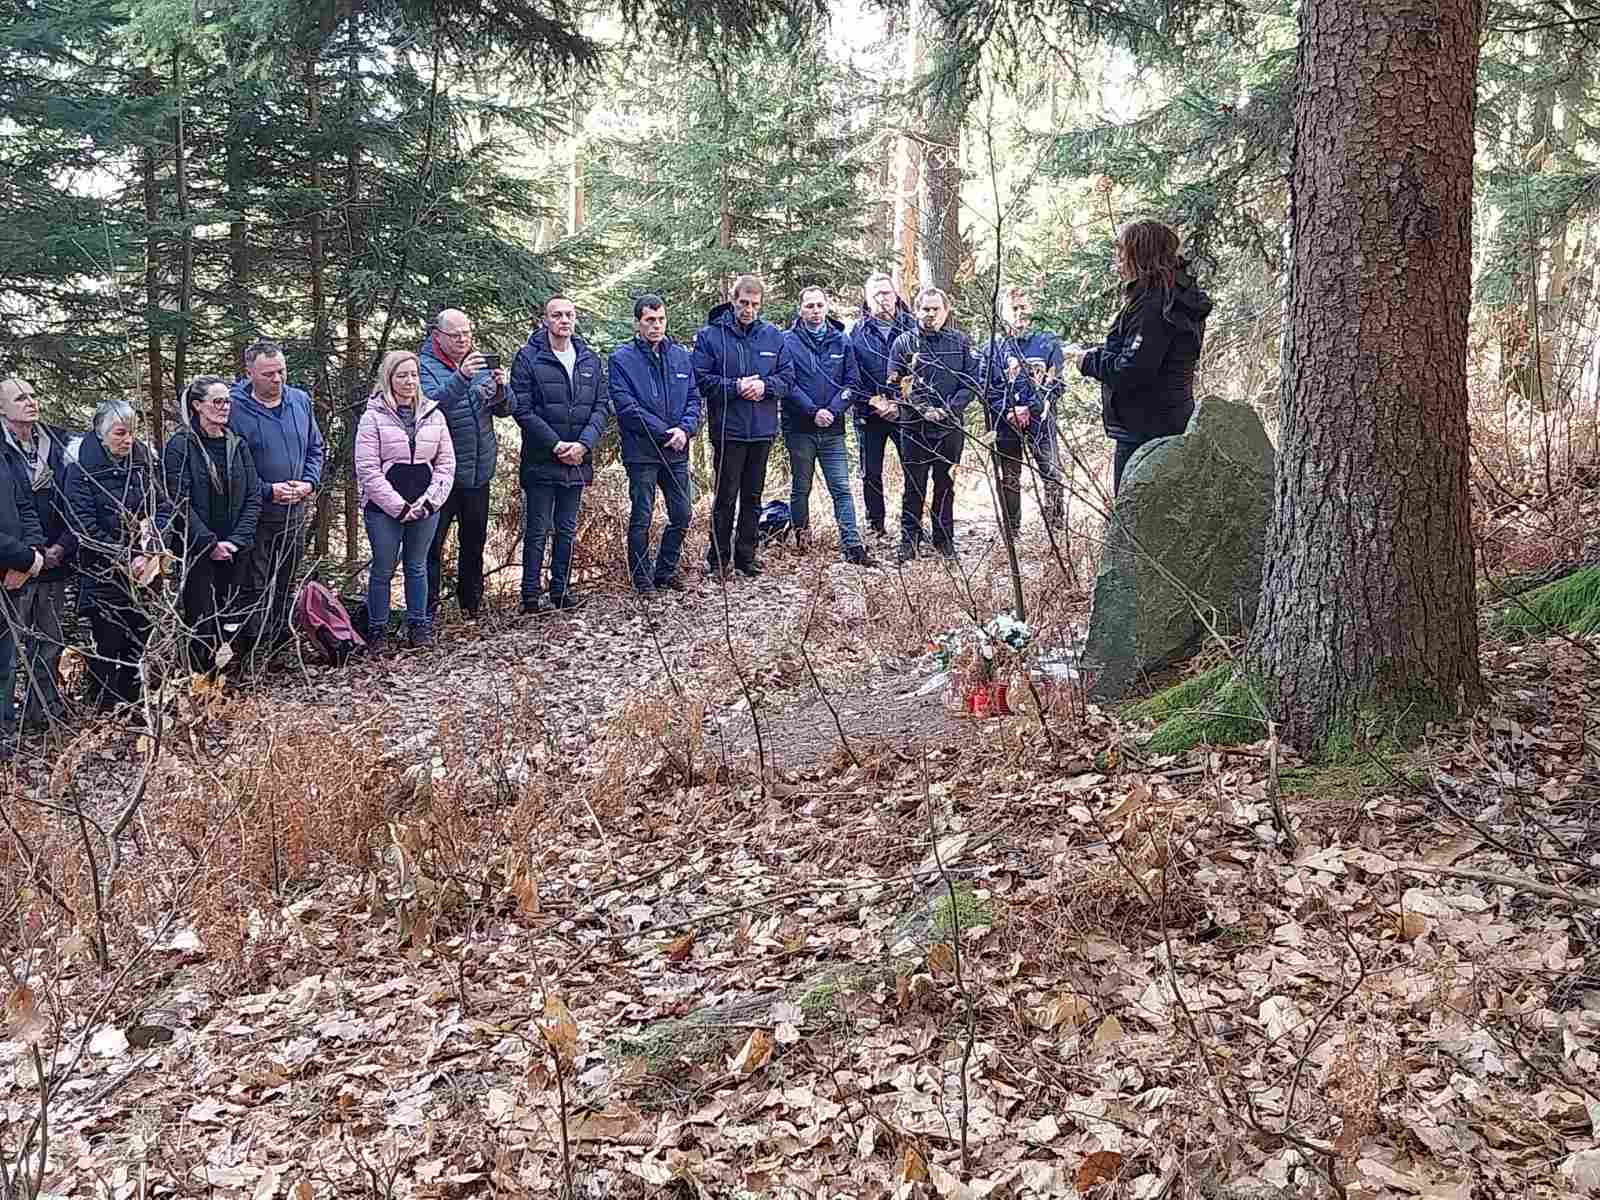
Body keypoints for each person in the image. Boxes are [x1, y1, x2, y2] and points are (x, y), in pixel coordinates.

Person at [1075, 220, 1214, 493]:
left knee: (1134, 521)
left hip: (1145, 431)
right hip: (1168, 421)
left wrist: (1088, 361)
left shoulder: (1155, 305)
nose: (1119, 261)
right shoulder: (1174, 298)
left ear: (1139, 255)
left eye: (1123, 253)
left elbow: (1133, 370)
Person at [510, 295, 609, 614]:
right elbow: (522, 409)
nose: (563, 320)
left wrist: (583, 445)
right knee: (538, 528)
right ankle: (529, 594)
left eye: (569, 315)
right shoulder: (528, 358)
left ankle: (561, 589)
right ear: (545, 320)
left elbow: (600, 407)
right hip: (542, 459)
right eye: (557, 315)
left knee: (566, 528)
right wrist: (555, 445)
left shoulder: (589, 359)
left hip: (578, 460)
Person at [692, 274, 794, 579]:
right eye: (743, 303)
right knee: (725, 497)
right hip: (728, 430)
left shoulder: (773, 337)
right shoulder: (711, 336)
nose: (748, 309)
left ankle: (746, 557)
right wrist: (736, 386)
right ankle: (718, 559)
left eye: (754, 304)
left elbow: (787, 377)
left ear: (761, 305)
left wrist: (765, 386)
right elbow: (701, 380)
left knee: (753, 497)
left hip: (762, 430)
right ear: (732, 301)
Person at [228, 340, 324, 665]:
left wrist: (309, 483)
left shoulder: (300, 401)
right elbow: (232, 469)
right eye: (268, 373)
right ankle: (254, 652)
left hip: (294, 512)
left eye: (281, 371)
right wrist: (267, 490)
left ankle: (282, 647)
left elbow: (315, 448)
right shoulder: (234, 408)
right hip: (254, 515)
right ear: (249, 373)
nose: (277, 379)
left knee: (285, 580)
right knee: (255, 585)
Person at [67, 400, 164, 713]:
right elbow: (84, 526)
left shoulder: (143, 462)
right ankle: (108, 712)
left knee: (141, 641)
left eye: (133, 432)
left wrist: (149, 551)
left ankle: (139, 708)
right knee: (108, 643)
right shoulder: (80, 467)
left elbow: (162, 506)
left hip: (145, 571)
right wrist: (124, 557)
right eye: (121, 433)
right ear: (101, 432)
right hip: (101, 573)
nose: (128, 439)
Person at [355, 351, 455, 650]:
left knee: (417, 566)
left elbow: (446, 464)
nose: (409, 381)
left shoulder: (434, 414)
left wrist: (429, 502)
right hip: (383, 509)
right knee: (383, 567)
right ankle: (377, 630)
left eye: (413, 375)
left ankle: (419, 626)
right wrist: (397, 506)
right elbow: (367, 469)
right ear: (389, 378)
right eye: (402, 375)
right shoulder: (372, 416)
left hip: (425, 506)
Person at [161, 376, 262, 674]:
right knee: (202, 618)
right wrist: (209, 543)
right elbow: (179, 501)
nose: (224, 407)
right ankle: (201, 681)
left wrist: (236, 540)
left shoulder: (236, 444)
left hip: (236, 548)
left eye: (227, 401)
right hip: (198, 550)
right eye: (217, 401)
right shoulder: (181, 446)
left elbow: (253, 495)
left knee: (233, 614)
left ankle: (232, 678)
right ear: (197, 406)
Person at [421, 308, 511, 620]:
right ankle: (426, 614)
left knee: (473, 543)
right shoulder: (424, 367)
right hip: (439, 475)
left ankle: (471, 609)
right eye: (455, 335)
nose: (463, 340)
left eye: (467, 333)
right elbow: (431, 407)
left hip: (478, 469)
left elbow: (502, 410)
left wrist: (502, 388)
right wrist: (461, 378)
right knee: (431, 546)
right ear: (438, 336)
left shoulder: (478, 361)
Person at [609, 295, 702, 596]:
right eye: (650, 320)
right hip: (643, 453)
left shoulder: (680, 356)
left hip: (677, 452)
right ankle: (642, 578)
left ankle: (665, 570)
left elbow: (693, 399)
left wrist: (685, 430)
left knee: (682, 514)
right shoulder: (622, 359)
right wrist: (666, 433)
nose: (656, 325)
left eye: (661, 319)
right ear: (638, 323)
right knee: (642, 516)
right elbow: (626, 407)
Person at [0, 377, 74, 731]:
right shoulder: (2, 448)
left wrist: (60, 546)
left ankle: (41, 715)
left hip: (53, 559)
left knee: (50, 644)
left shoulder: (58, 442)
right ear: (2, 408)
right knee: (9, 653)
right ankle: (6, 726)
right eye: (19, 398)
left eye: (32, 395)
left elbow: (77, 501)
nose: (30, 402)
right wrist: (26, 558)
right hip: (13, 568)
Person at [782, 287, 875, 567]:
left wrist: (833, 411)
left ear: (826, 308)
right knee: (801, 487)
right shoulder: (787, 341)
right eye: (809, 306)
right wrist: (812, 411)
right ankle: (802, 537)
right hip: (800, 428)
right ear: (801, 309)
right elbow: (787, 382)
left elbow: (852, 382)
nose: (815, 310)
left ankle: (852, 543)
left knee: (842, 488)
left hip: (833, 429)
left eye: (820, 305)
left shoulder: (841, 340)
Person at [888, 287, 979, 564]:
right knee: (913, 485)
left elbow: (971, 382)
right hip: (914, 427)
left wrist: (947, 410)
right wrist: (924, 410)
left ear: (945, 311)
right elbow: (894, 384)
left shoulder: (960, 342)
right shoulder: (903, 343)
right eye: (925, 309)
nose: (930, 314)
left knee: (945, 484)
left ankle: (943, 539)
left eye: (935, 309)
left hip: (949, 428)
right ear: (917, 310)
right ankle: (910, 539)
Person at [986, 286, 1067, 534]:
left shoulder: (1048, 342)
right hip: (1005, 423)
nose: (1020, 313)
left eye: (1024, 307)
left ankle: (1056, 527)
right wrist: (1009, 409)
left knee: (1051, 471)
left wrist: (1030, 408)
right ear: (1003, 312)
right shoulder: (994, 347)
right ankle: (1012, 530)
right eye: (1015, 308)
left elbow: (1057, 384)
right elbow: (986, 387)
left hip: (1040, 422)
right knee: (1009, 477)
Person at [847, 272, 917, 542]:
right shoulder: (855, 332)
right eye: (876, 295)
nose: (882, 299)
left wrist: (900, 404)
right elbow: (850, 375)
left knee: (913, 469)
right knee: (870, 473)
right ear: (867, 299)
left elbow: (923, 373)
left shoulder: (912, 327)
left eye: (886, 293)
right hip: (869, 414)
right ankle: (876, 526)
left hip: (908, 413)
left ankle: (911, 526)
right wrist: (874, 402)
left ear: (896, 294)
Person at [1, 419, 46, 758]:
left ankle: (4, 734)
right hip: (8, 567)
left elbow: (27, 507)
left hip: (13, 576)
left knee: (5, 663)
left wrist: (32, 559)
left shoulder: (8, 453)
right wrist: (22, 559)